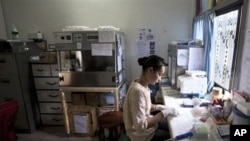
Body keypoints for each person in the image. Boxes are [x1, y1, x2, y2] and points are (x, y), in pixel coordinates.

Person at [123, 55, 179, 141]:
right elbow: (141, 127)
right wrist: (163, 113)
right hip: (140, 135)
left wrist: (161, 107)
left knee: (172, 124)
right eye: (160, 74)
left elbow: (146, 106)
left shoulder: (140, 82)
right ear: (150, 71)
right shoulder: (137, 91)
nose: (160, 79)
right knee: (173, 136)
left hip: (147, 124)